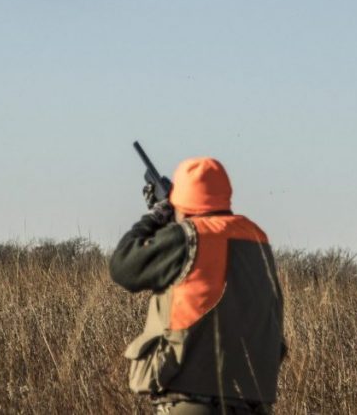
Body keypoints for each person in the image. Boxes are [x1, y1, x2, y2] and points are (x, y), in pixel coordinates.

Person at [110, 157, 286, 414]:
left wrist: (156, 216)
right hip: (253, 405)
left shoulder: (186, 237)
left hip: (192, 403)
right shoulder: (257, 239)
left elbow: (123, 266)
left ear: (180, 202)